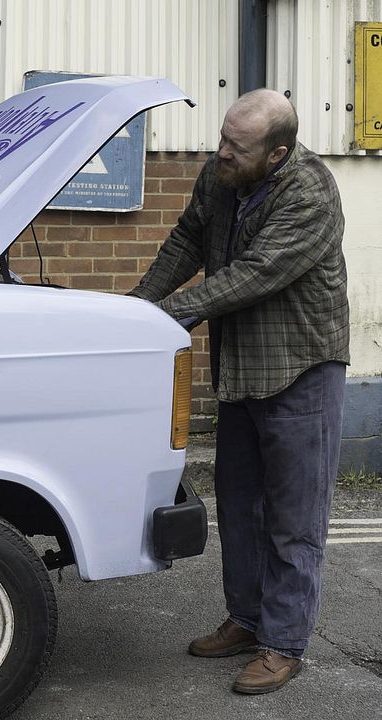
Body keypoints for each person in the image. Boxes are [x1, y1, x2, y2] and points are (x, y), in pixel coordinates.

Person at [129, 88, 349, 695]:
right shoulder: (221, 174)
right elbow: (186, 240)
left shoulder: (309, 192)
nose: (221, 152)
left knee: (294, 518)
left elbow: (252, 277)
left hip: (301, 369)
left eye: (237, 146)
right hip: (241, 369)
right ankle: (248, 619)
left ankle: (283, 642)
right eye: (223, 137)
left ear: (277, 154)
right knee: (239, 505)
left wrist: (164, 317)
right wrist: (137, 306)